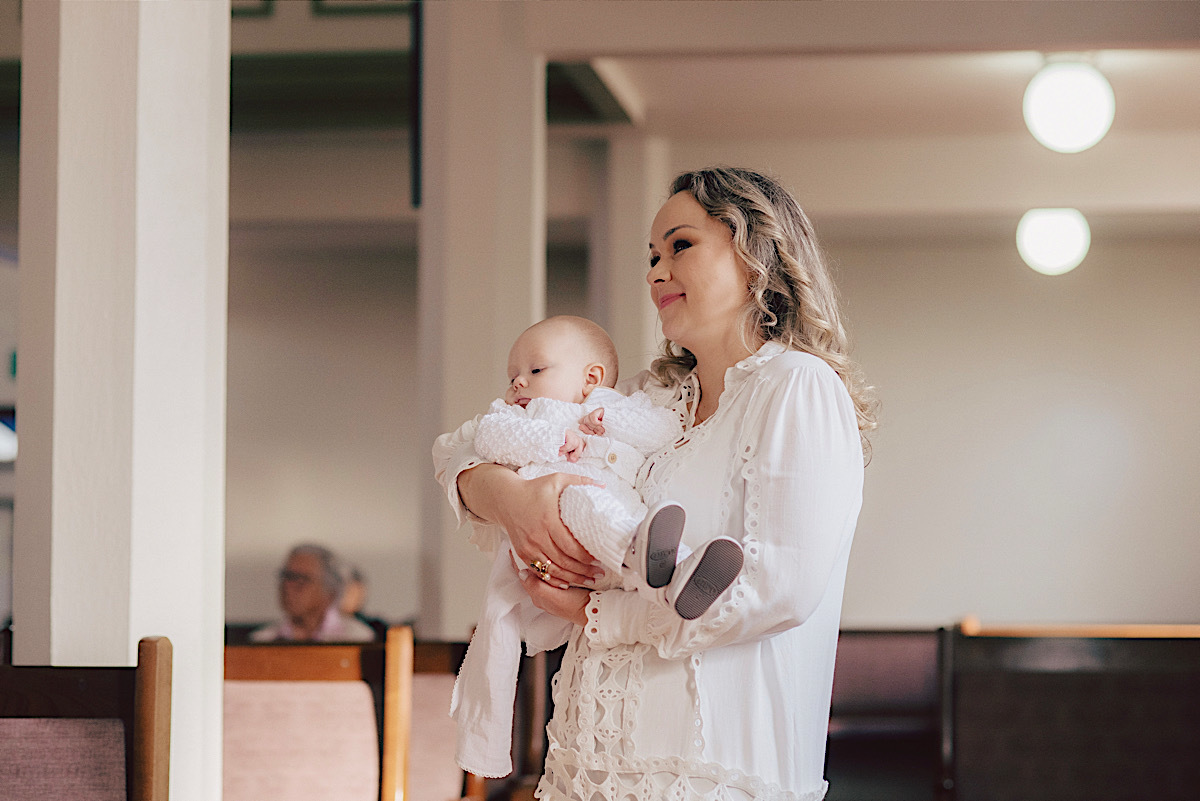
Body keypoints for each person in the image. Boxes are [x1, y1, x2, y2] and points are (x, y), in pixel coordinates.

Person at [434, 166, 876, 800]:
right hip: (590, 759)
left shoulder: (797, 388)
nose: (655, 271)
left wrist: (598, 612)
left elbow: (781, 590)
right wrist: (513, 498)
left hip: (710, 765)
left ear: (755, 252)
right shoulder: (651, 402)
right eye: (651, 255)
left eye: (680, 245)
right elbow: (457, 449)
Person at [446, 314, 745, 776]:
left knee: (628, 520)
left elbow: (666, 433)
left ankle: (682, 570)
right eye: (513, 376)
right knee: (589, 503)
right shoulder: (526, 415)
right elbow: (487, 437)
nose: (519, 382)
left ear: (591, 379)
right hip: (568, 511)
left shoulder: (621, 404)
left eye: (535, 371)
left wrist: (610, 422)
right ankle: (647, 558)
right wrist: (551, 438)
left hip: (617, 529)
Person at [250, 543, 375, 643]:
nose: (287, 586)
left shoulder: (357, 639)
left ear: (330, 592)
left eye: (300, 579)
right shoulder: (263, 640)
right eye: (286, 576)